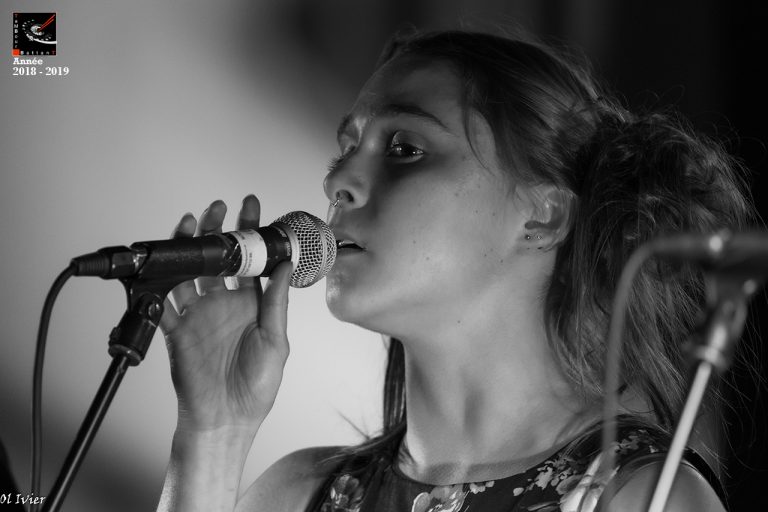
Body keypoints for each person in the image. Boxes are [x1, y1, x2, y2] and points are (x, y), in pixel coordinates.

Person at [155, 29, 754, 512]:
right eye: (347, 148)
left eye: (404, 149)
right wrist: (213, 432)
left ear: (542, 216)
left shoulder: (644, 498)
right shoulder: (298, 495)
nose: (339, 180)